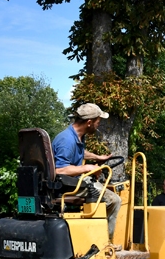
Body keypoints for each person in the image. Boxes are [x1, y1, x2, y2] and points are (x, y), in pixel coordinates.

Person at [52, 103, 122, 240]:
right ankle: (104, 242)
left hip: (74, 181)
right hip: (69, 185)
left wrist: (96, 157)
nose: (99, 125)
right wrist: (87, 168)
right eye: (98, 121)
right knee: (114, 200)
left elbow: (79, 152)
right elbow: (59, 170)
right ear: (89, 122)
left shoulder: (76, 136)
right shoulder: (66, 140)